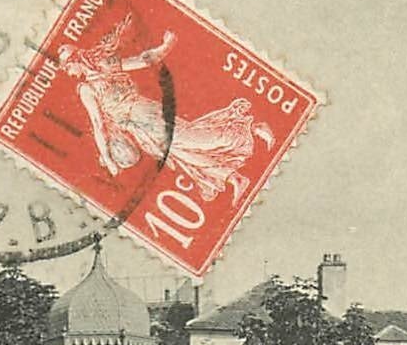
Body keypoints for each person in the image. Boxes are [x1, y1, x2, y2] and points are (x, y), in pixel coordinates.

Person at [59, 16, 275, 205]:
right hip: (138, 129)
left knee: (194, 140)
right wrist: (108, 157)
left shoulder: (97, 76)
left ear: (76, 60)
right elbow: (100, 123)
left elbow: (142, 61)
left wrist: (166, 47)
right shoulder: (88, 84)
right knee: (182, 153)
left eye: (67, 67)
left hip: (144, 113)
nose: (68, 73)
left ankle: (252, 126)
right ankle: (234, 178)